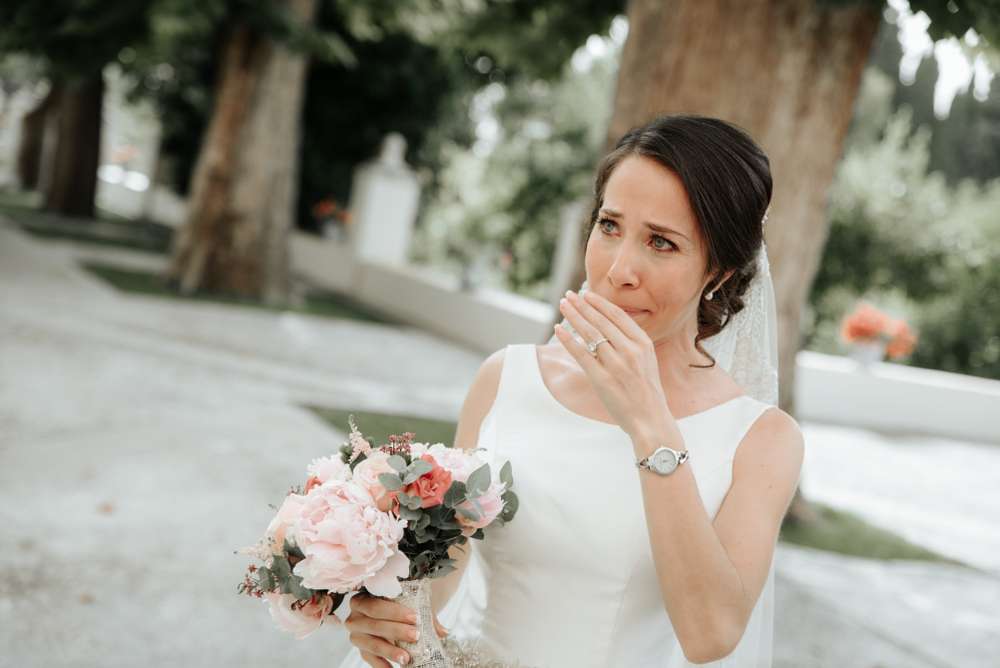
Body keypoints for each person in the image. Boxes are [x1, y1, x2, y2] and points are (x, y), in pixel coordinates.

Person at [340, 114, 804, 668]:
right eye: (610, 226)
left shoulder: (762, 439)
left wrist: (648, 418)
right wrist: (389, 619)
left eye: (661, 242)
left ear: (721, 272)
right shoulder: (504, 378)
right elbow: (442, 580)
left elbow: (711, 635)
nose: (619, 269)